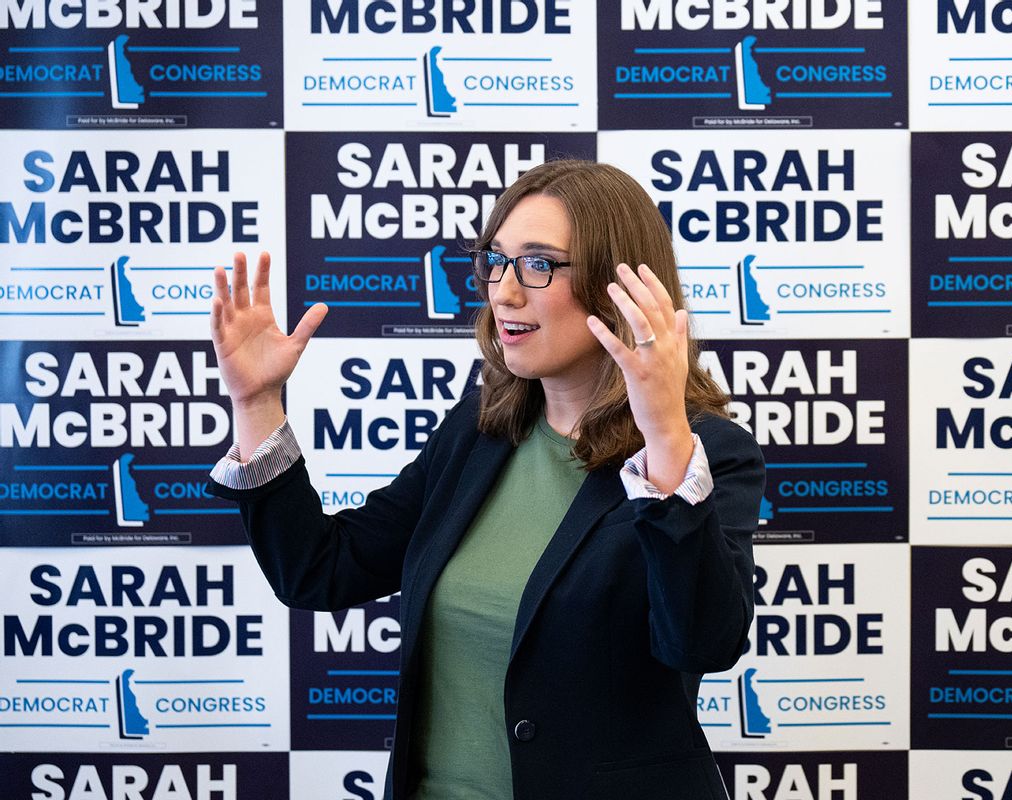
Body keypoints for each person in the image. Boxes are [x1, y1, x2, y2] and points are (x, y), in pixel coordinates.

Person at [206, 160, 765, 800]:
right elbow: (321, 569)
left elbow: (702, 640)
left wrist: (665, 434)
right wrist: (256, 405)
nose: (504, 291)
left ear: (624, 288)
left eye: (538, 264)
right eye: (495, 261)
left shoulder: (709, 454)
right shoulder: (477, 433)